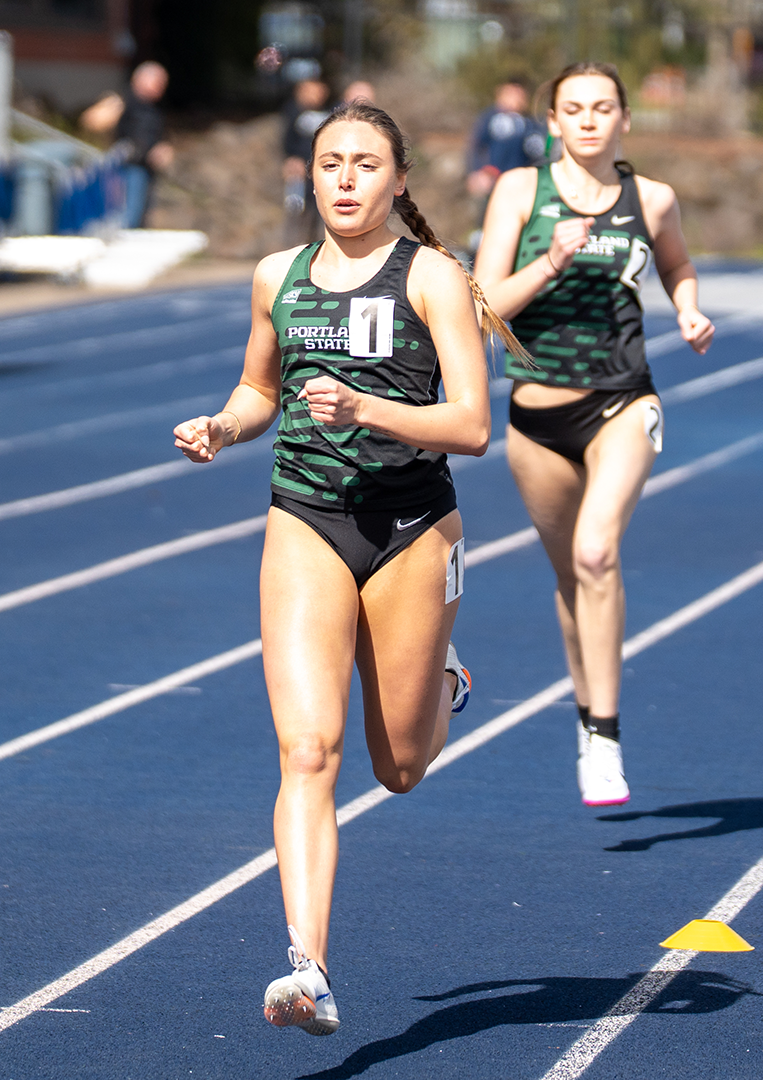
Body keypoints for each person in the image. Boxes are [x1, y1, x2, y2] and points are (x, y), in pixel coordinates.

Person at [172, 101, 521, 1036]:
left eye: (366, 164)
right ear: (311, 173)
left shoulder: (435, 278)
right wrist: (225, 425)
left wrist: (366, 411)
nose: (346, 180)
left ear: (399, 180)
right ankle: (307, 966)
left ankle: (443, 679)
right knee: (307, 750)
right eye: (331, 163)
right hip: (306, 519)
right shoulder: (276, 276)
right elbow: (260, 385)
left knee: (398, 766)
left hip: (411, 527)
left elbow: (474, 427)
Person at [472, 62, 714, 807]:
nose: (587, 119)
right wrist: (551, 258)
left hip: (621, 401)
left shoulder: (653, 197)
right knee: (571, 583)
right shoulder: (520, 192)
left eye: (601, 107)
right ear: (552, 122)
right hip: (536, 418)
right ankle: (585, 713)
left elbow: (676, 263)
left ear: (625, 120)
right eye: (572, 108)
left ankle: (605, 737)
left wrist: (691, 307)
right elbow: (483, 311)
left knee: (595, 553)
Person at [79, 61, 175, 229]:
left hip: (147, 170)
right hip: (127, 169)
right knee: (127, 219)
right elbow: (90, 122)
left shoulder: (154, 108)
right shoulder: (124, 100)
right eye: (158, 81)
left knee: (140, 219)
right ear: (140, 79)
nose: (161, 87)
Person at [464, 79, 537, 242]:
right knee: (488, 221)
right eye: (510, 94)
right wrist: (475, 172)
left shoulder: (530, 123)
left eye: (520, 95)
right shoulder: (490, 118)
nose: (515, 99)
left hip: (520, 184)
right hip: (492, 181)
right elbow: (475, 146)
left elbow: (535, 153)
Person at [280, 78, 330, 245]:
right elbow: (286, 140)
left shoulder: (329, 112)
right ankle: (296, 247)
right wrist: (291, 160)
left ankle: (320, 245)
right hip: (301, 171)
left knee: (322, 209)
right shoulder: (293, 111)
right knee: (298, 209)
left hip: (324, 169)